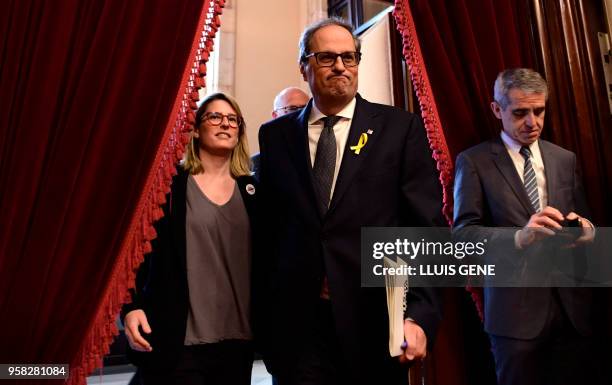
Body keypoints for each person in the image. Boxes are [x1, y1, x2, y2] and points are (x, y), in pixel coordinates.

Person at [257, 18, 445, 385]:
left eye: (350, 57)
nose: (341, 66)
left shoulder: (399, 129)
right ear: (304, 67)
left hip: (375, 320)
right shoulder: (276, 136)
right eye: (327, 57)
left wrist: (419, 314)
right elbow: (268, 233)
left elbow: (425, 229)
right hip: (299, 329)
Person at [452, 68, 598, 385]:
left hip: (572, 313)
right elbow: (462, 238)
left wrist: (586, 229)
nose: (532, 122)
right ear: (496, 110)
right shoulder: (474, 162)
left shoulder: (564, 159)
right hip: (514, 319)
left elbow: (586, 222)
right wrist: (520, 236)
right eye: (520, 113)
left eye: (539, 111)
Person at [121, 92, 258, 385]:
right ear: (196, 129)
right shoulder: (168, 187)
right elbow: (134, 253)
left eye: (233, 120)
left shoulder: (253, 191)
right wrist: (130, 307)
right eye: (215, 117)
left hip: (238, 341)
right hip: (180, 340)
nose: (226, 124)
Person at [251, 87, 310, 179]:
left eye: (305, 109)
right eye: (292, 109)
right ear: (275, 116)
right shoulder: (254, 165)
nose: (300, 114)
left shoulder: (320, 157)